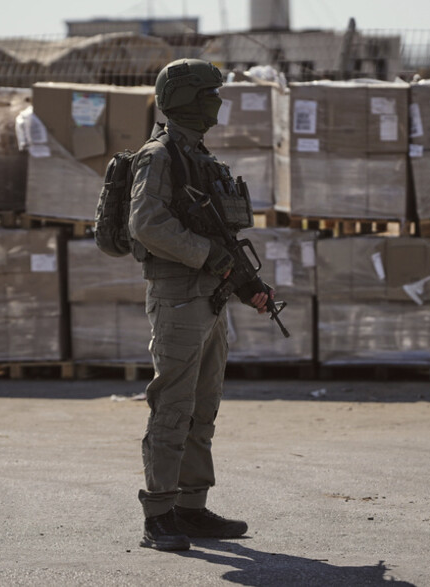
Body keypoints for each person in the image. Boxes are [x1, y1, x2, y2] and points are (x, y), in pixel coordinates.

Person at [128, 58, 272, 552]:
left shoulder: (200, 157)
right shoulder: (160, 155)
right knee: (172, 406)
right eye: (210, 93)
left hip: (208, 301)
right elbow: (145, 224)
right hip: (178, 299)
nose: (218, 102)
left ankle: (191, 507)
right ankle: (159, 513)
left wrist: (246, 285)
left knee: (202, 409)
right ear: (186, 99)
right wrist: (208, 255)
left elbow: (218, 235)